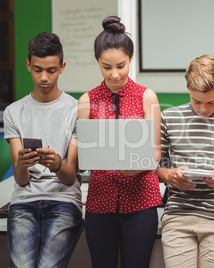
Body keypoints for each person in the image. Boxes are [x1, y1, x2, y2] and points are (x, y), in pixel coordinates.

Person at [77, 16, 162, 268]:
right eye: (106, 67)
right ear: (98, 63)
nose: (114, 74)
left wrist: (136, 165)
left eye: (121, 66)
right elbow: (84, 154)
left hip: (141, 201)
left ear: (131, 59)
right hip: (100, 199)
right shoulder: (87, 100)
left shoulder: (147, 97)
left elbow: (156, 151)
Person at [3, 32, 83, 268]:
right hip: (24, 201)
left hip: (64, 200)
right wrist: (22, 163)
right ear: (28, 65)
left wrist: (57, 163)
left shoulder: (77, 110)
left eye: (51, 70)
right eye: (38, 70)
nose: (44, 77)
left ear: (62, 67)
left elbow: (70, 178)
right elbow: (20, 179)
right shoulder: (14, 112)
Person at [157, 54, 214, 268]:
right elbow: (153, 166)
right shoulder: (170, 117)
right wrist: (170, 176)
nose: (204, 109)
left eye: (211, 102)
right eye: (196, 101)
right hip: (178, 214)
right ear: (187, 88)